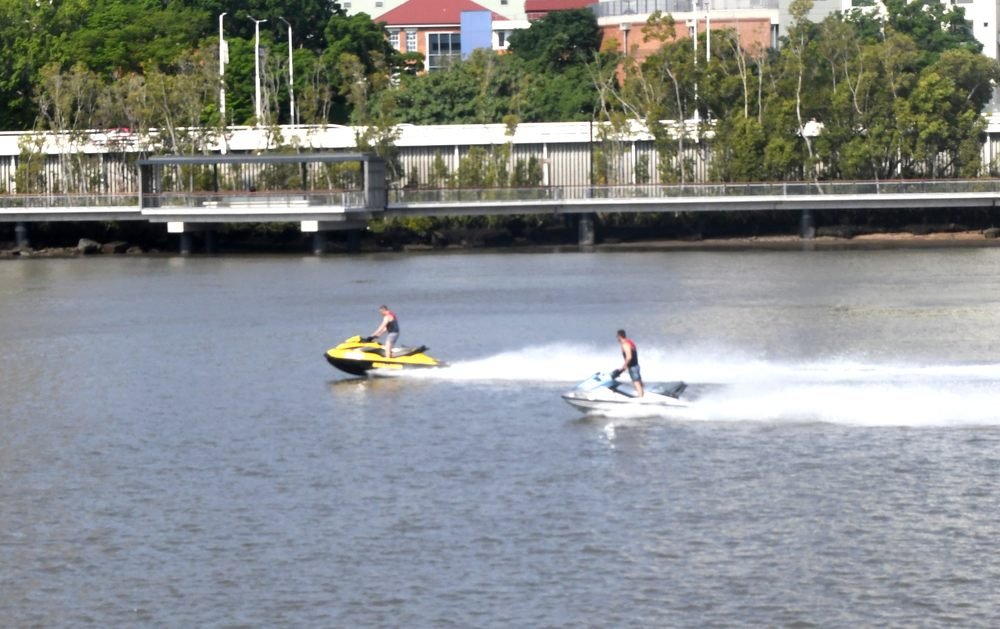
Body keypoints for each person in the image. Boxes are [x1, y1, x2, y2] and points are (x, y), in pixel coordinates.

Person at [612, 329, 644, 397]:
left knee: (636, 382)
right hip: (635, 365)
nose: (617, 338)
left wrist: (624, 366)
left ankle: (641, 398)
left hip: (633, 367)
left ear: (619, 336)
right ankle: (642, 394)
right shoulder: (630, 342)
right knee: (638, 381)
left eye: (617, 336)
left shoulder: (625, 344)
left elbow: (629, 357)